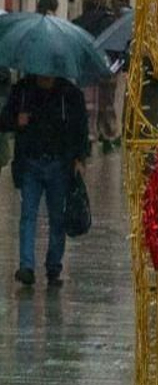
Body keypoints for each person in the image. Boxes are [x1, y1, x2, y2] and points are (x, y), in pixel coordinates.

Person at [1, 72, 89, 286]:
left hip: (59, 164)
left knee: (57, 218)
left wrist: (80, 158)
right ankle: (26, 266)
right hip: (30, 163)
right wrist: (16, 120)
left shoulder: (70, 94)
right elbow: (4, 120)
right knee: (27, 215)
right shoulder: (22, 90)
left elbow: (81, 128)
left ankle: (53, 266)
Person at [72, 0, 121, 150]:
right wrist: (117, 64)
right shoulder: (110, 22)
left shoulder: (77, 22)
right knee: (106, 104)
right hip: (106, 68)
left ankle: (89, 137)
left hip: (86, 69)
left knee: (88, 105)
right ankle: (107, 136)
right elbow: (117, 47)